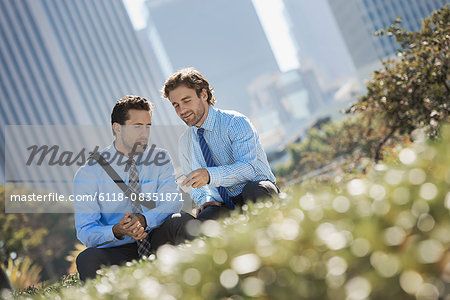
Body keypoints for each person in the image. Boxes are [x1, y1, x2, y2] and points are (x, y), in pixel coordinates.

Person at [74, 95, 195, 281]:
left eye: (148, 126)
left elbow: (172, 202)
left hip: (156, 237)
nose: (144, 133)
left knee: (182, 220)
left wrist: (144, 220)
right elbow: (85, 230)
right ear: (117, 128)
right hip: (118, 249)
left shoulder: (160, 158)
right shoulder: (88, 174)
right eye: (137, 126)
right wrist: (117, 230)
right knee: (86, 259)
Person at [163, 68, 279, 221]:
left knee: (255, 190)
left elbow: (248, 169)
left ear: (203, 94)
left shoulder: (235, 122)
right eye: (176, 105)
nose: (182, 110)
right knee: (206, 216)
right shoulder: (185, 142)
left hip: (256, 190)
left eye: (186, 101)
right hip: (222, 204)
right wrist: (206, 200)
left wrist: (210, 175)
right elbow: (194, 186)